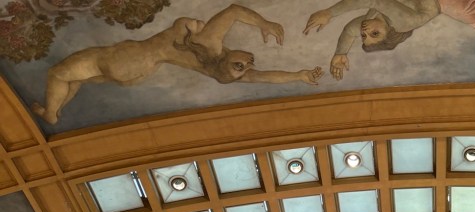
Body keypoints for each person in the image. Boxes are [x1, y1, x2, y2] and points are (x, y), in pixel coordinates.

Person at [33, 4, 324, 124]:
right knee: (77, 78)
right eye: (248, 64)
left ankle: (51, 113)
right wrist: (299, 75)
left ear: (227, 62)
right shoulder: (216, 68)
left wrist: (264, 22)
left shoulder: (211, 46)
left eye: (241, 67)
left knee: (58, 72)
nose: (247, 65)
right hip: (138, 72)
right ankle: (53, 112)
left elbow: (234, 11)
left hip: (132, 58)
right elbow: (264, 77)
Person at [304, 0, 475, 82]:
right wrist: (330, 12)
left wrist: (340, 52)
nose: (366, 31)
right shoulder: (401, 21)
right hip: (457, 3)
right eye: (373, 35)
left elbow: (352, 29)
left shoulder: (378, 18)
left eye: (367, 35)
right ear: (390, 33)